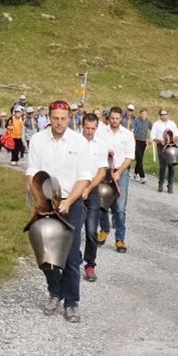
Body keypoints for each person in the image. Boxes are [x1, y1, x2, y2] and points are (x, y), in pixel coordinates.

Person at [26, 100, 91, 323]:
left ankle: (71, 302)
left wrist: (69, 200)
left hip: (70, 203)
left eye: (63, 118)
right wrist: (40, 201)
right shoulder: (37, 140)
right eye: (55, 118)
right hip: (45, 202)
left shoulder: (79, 142)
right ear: (50, 117)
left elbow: (84, 177)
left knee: (72, 255)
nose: (59, 122)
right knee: (46, 253)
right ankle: (55, 292)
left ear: (70, 118)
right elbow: (32, 173)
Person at [99, 106, 136, 253]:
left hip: (121, 171)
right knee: (102, 203)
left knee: (120, 208)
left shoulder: (127, 135)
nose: (114, 121)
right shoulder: (101, 132)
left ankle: (120, 238)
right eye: (112, 118)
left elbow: (129, 157)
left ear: (121, 118)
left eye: (117, 118)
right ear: (109, 118)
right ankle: (105, 228)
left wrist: (119, 172)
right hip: (104, 171)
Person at [80, 113, 110, 282]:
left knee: (91, 230)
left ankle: (90, 264)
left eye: (93, 129)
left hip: (92, 189)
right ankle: (71, 259)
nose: (90, 132)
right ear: (82, 126)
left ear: (96, 128)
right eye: (87, 128)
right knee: (73, 230)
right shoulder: (75, 142)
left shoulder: (101, 145)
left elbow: (102, 171)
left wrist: (89, 188)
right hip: (76, 188)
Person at [151, 109, 178, 193]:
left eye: (165, 114)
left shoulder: (172, 123)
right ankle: (160, 183)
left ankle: (170, 185)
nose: (164, 116)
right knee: (163, 166)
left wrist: (173, 139)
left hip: (171, 146)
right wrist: (160, 141)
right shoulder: (156, 124)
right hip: (161, 146)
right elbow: (153, 136)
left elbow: (177, 134)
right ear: (159, 115)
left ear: (168, 114)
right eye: (162, 114)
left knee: (172, 166)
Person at [132, 107, 151, 183]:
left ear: (147, 114)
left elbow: (153, 129)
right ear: (140, 114)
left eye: (145, 113)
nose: (144, 115)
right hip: (136, 141)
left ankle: (135, 173)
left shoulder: (148, 122)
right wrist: (133, 140)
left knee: (140, 159)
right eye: (142, 113)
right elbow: (132, 130)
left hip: (143, 142)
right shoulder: (136, 121)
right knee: (139, 158)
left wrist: (151, 139)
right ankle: (142, 176)